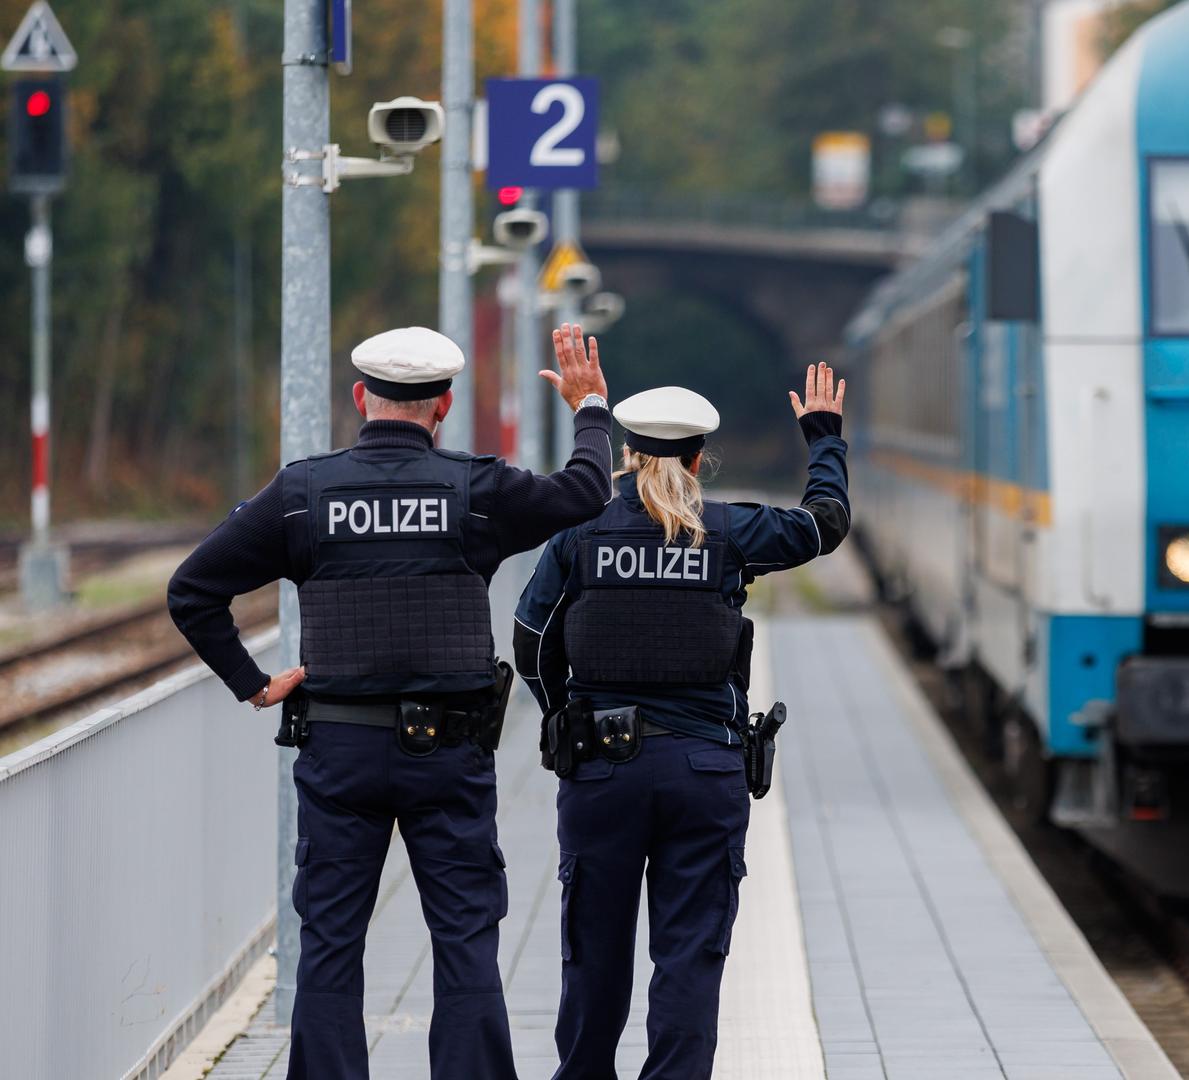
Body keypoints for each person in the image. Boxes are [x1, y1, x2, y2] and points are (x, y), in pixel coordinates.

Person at [168, 324, 615, 1080]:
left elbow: (193, 590)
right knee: (465, 940)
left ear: (359, 399)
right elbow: (585, 491)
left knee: (332, 946)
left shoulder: (303, 494)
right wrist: (591, 406)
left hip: (338, 753)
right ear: (444, 406)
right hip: (449, 753)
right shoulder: (478, 491)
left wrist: (255, 683)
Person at [513, 363, 851, 1079]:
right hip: (704, 772)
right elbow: (824, 526)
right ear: (700, 458)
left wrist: (563, 718)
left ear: (629, 454)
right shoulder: (729, 532)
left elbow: (530, 639)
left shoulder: (579, 533)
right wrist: (824, 439)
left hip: (601, 771)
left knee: (593, 956)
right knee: (690, 958)